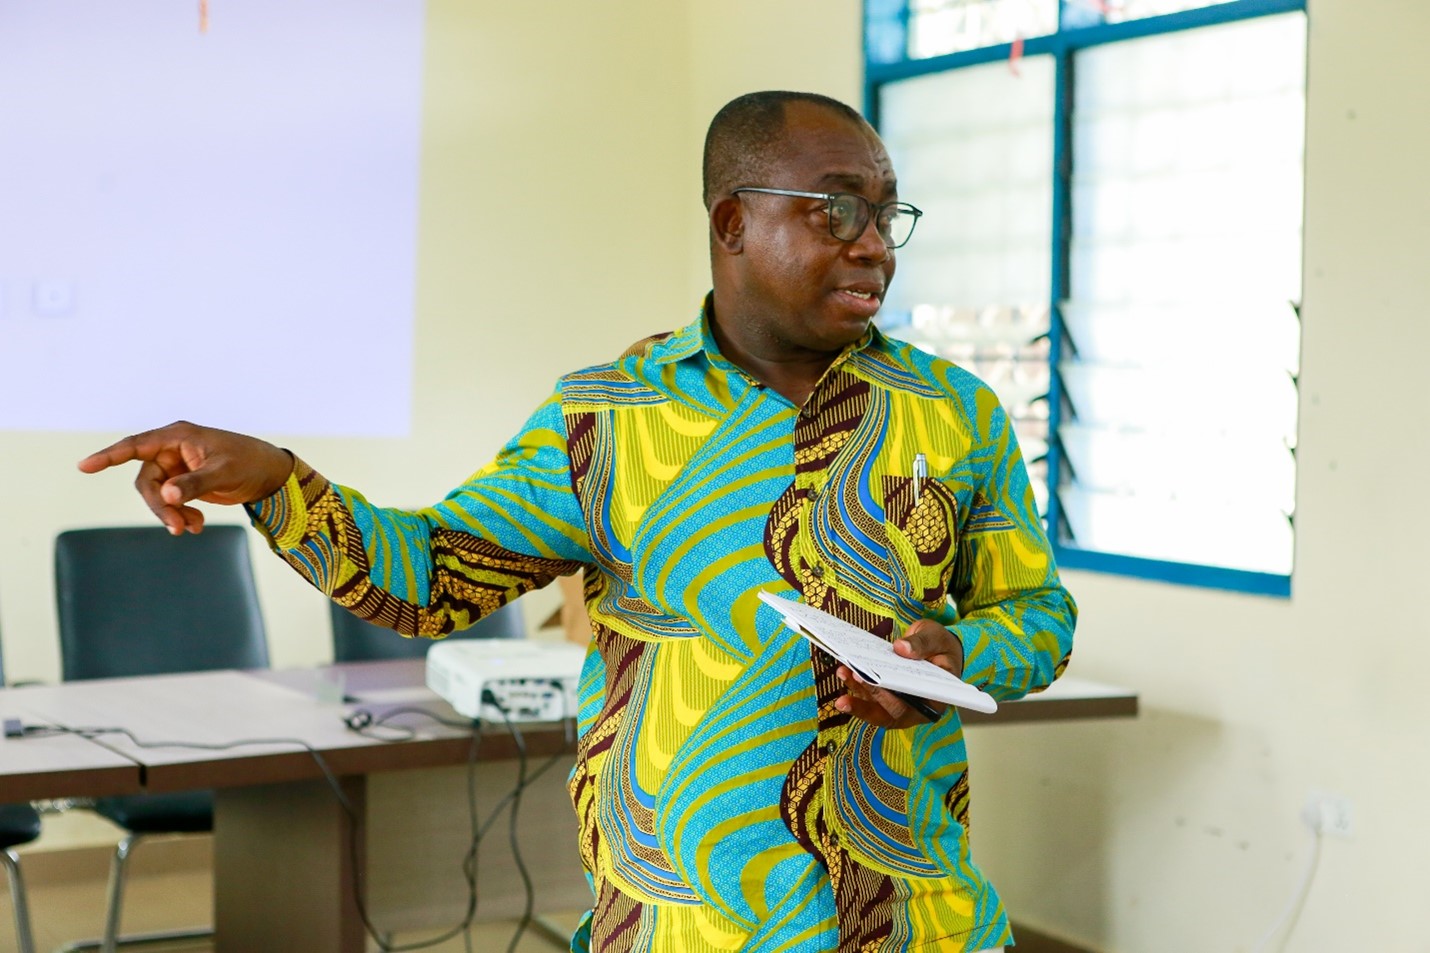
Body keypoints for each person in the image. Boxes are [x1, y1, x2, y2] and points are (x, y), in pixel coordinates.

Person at [80, 90, 1075, 953]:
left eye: (884, 214)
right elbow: (427, 578)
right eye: (836, 211)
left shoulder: (956, 413)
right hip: (685, 921)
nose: (870, 242)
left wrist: (959, 655)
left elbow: (1036, 613)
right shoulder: (604, 419)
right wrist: (275, 482)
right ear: (732, 222)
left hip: (917, 913)